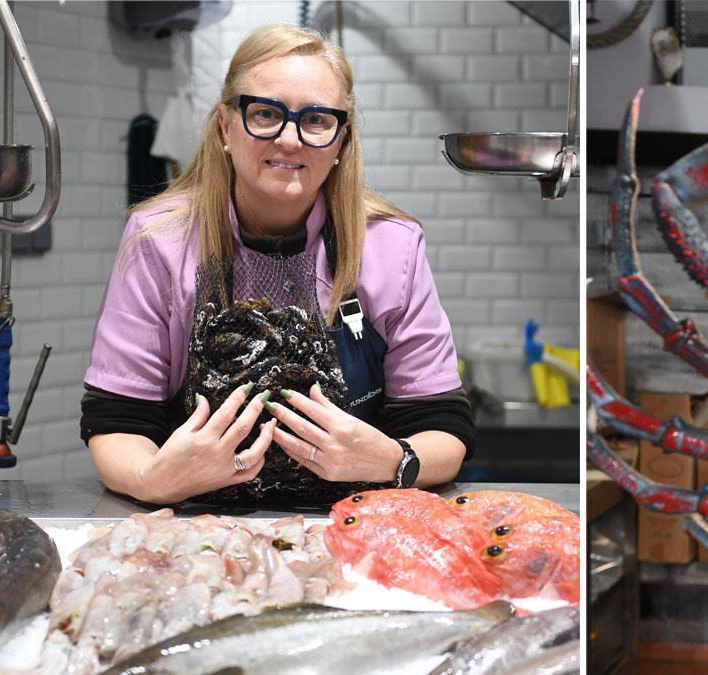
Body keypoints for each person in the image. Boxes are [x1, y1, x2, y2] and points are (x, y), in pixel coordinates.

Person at [80, 25, 474, 505]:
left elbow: (444, 430)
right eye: (265, 114)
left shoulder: (391, 246)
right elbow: (116, 422)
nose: (289, 139)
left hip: (353, 528)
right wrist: (152, 480)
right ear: (225, 126)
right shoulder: (158, 240)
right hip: (199, 529)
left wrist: (395, 461)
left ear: (341, 140)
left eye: (315, 120)